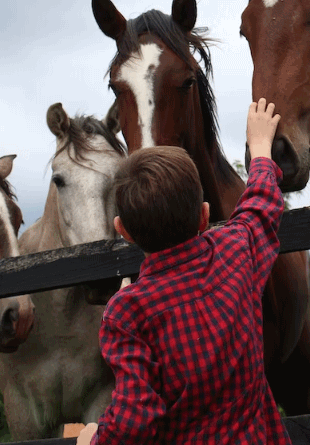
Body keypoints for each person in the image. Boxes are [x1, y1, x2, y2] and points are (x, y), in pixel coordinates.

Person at [78, 98, 292, 445]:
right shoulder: (236, 252)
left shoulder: (127, 313)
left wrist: (94, 440)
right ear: (204, 216)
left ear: (124, 231)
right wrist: (261, 149)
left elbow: (133, 419)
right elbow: (261, 205)